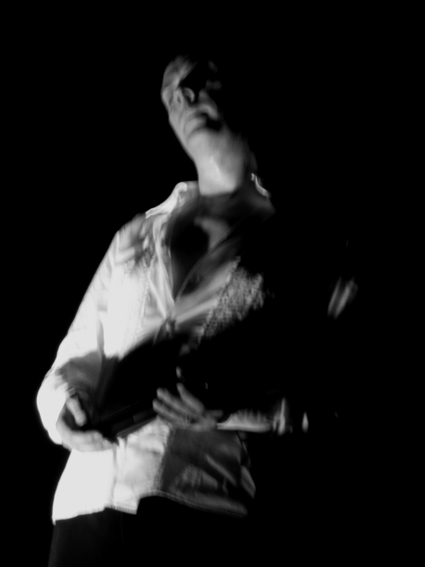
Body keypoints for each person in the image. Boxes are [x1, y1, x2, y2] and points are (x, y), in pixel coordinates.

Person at [38, 51, 347, 566]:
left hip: (203, 505)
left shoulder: (304, 244)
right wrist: (64, 409)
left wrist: (240, 410)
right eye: (169, 93)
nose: (183, 95)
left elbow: (336, 391)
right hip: (88, 504)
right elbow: (72, 360)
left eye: (200, 77)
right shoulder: (139, 233)